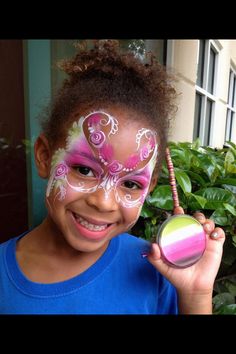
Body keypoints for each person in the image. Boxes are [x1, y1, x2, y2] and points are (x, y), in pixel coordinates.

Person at [0, 40, 225, 314]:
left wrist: (195, 294)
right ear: (45, 157)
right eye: (84, 170)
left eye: (131, 184)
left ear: (150, 186)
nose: (104, 203)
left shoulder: (155, 273)